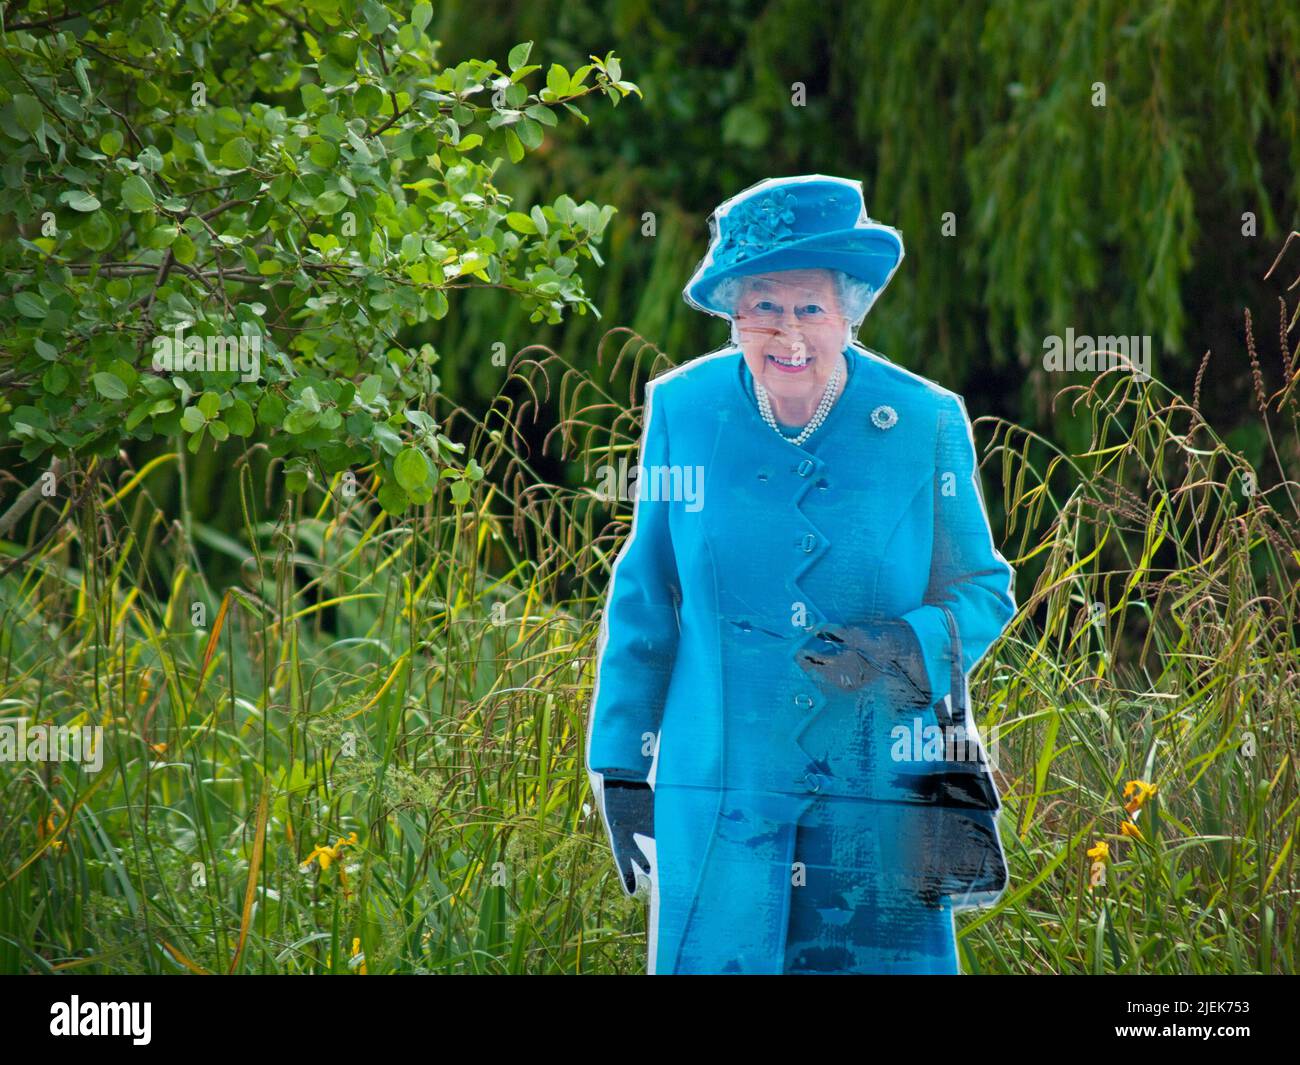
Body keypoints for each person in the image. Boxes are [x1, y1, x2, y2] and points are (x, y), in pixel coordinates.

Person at [586, 175, 1017, 974]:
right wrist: (618, 767)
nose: (788, 332)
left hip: (882, 796)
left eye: (810, 306)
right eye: (764, 305)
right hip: (720, 793)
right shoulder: (683, 410)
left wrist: (901, 646)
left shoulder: (924, 421)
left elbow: (982, 588)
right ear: (734, 314)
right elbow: (647, 595)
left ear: (850, 312)